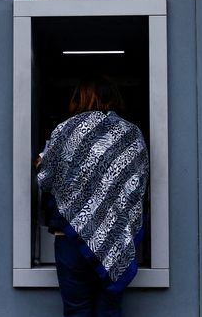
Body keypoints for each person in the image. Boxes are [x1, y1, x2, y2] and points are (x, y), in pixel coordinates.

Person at [36, 76, 149, 317]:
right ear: (114, 97)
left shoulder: (65, 130)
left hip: (71, 236)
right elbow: (138, 184)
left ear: (79, 97)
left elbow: (46, 179)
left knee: (77, 309)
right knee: (110, 308)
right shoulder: (131, 133)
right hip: (116, 238)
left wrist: (40, 164)